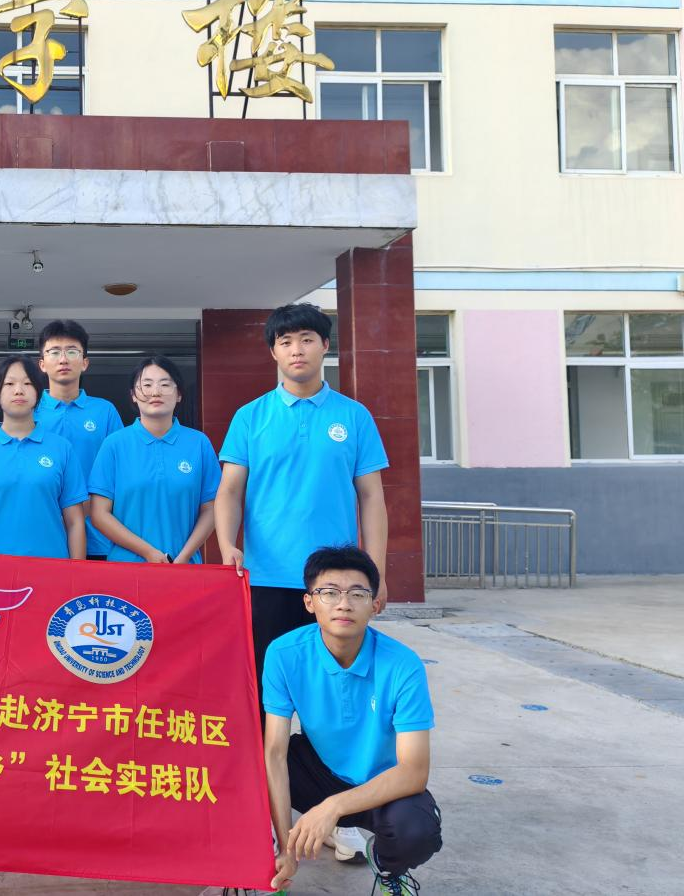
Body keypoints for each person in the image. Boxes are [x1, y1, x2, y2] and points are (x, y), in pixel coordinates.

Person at [215, 303, 389, 685]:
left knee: (333, 685)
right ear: (273, 352)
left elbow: (372, 498)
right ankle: (270, 731)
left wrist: (375, 571)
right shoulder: (250, 417)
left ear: (325, 345)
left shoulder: (354, 416)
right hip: (266, 577)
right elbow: (229, 491)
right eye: (286, 342)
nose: (297, 350)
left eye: (307, 340)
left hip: (338, 582)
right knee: (267, 685)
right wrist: (227, 545)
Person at [263, 546, 441, 896]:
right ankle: (270, 859)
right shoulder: (284, 654)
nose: (343, 604)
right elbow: (275, 753)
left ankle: (386, 865)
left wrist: (333, 807)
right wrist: (287, 846)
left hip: (381, 785)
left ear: (375, 604)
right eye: (329, 593)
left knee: (417, 831)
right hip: (316, 773)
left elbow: (414, 771)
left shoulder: (403, 665)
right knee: (245, 767)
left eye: (357, 594)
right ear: (309, 602)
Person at [0, 355, 87, 558]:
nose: (18, 390)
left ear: (38, 393)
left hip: (50, 567)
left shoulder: (62, 449)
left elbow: (75, 521)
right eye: (9, 384)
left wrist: (77, 571)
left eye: (27, 383)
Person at [89, 355, 219, 563]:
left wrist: (183, 557)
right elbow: (99, 513)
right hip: (126, 568)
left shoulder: (199, 443)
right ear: (133, 395)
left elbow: (211, 508)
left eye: (165, 384)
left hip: (184, 567)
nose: (155, 392)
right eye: (146, 385)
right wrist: (148, 552)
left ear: (179, 394)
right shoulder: (114, 444)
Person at [33, 319, 123, 559]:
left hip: (100, 537)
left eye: (72, 351)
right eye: (54, 352)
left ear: (84, 362)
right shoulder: (30, 412)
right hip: (44, 535)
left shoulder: (105, 412)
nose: (63, 359)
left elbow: (119, 473)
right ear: (42, 364)